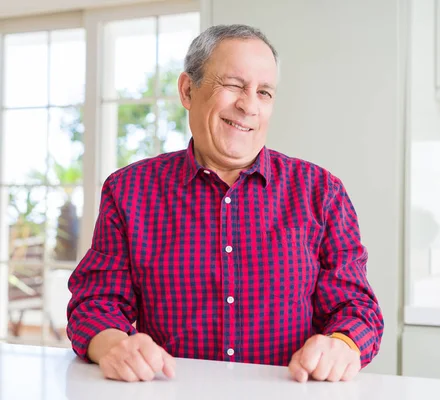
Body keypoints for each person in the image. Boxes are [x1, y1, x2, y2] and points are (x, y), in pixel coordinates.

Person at [67, 24, 384, 383]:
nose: (249, 105)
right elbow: (95, 303)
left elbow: (356, 308)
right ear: (188, 90)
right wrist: (111, 344)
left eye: (264, 92)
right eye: (233, 85)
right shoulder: (128, 191)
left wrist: (341, 344)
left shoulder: (321, 192)